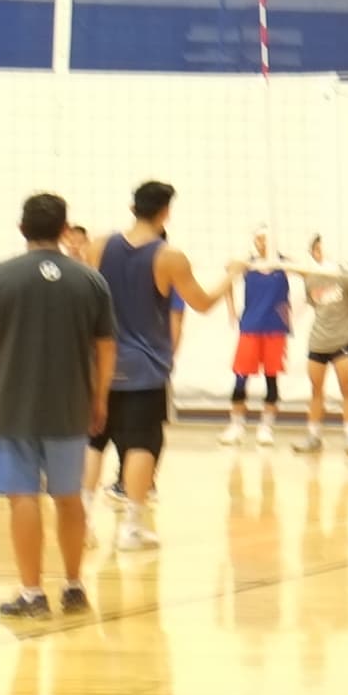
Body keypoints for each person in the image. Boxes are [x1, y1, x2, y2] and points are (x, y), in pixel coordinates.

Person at [0, 191, 115, 624]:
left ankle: (32, 593)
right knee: (68, 497)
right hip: (70, 403)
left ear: (22, 228)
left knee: (22, 496)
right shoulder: (90, 280)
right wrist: (99, 398)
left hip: (10, 404)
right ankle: (76, 587)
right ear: (65, 230)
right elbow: (106, 346)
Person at [95, 180, 231, 553]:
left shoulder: (98, 245)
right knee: (143, 442)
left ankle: (82, 521)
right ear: (166, 211)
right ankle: (132, 528)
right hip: (143, 366)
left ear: (132, 206)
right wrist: (232, 276)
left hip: (100, 361)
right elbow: (201, 303)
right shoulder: (169, 256)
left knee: (94, 441)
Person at [222, 230, 296, 447]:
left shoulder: (284, 264)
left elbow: (308, 273)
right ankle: (236, 425)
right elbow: (227, 273)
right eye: (257, 238)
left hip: (275, 330)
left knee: (271, 380)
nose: (260, 242)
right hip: (250, 328)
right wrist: (231, 309)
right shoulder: (248, 264)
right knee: (240, 378)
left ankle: (266, 427)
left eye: (264, 237)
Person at [296, 234, 348, 455]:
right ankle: (314, 437)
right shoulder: (311, 279)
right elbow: (316, 307)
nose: (319, 253)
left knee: (347, 388)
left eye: (321, 249)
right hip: (318, 343)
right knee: (316, 391)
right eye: (315, 250)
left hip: (343, 343)